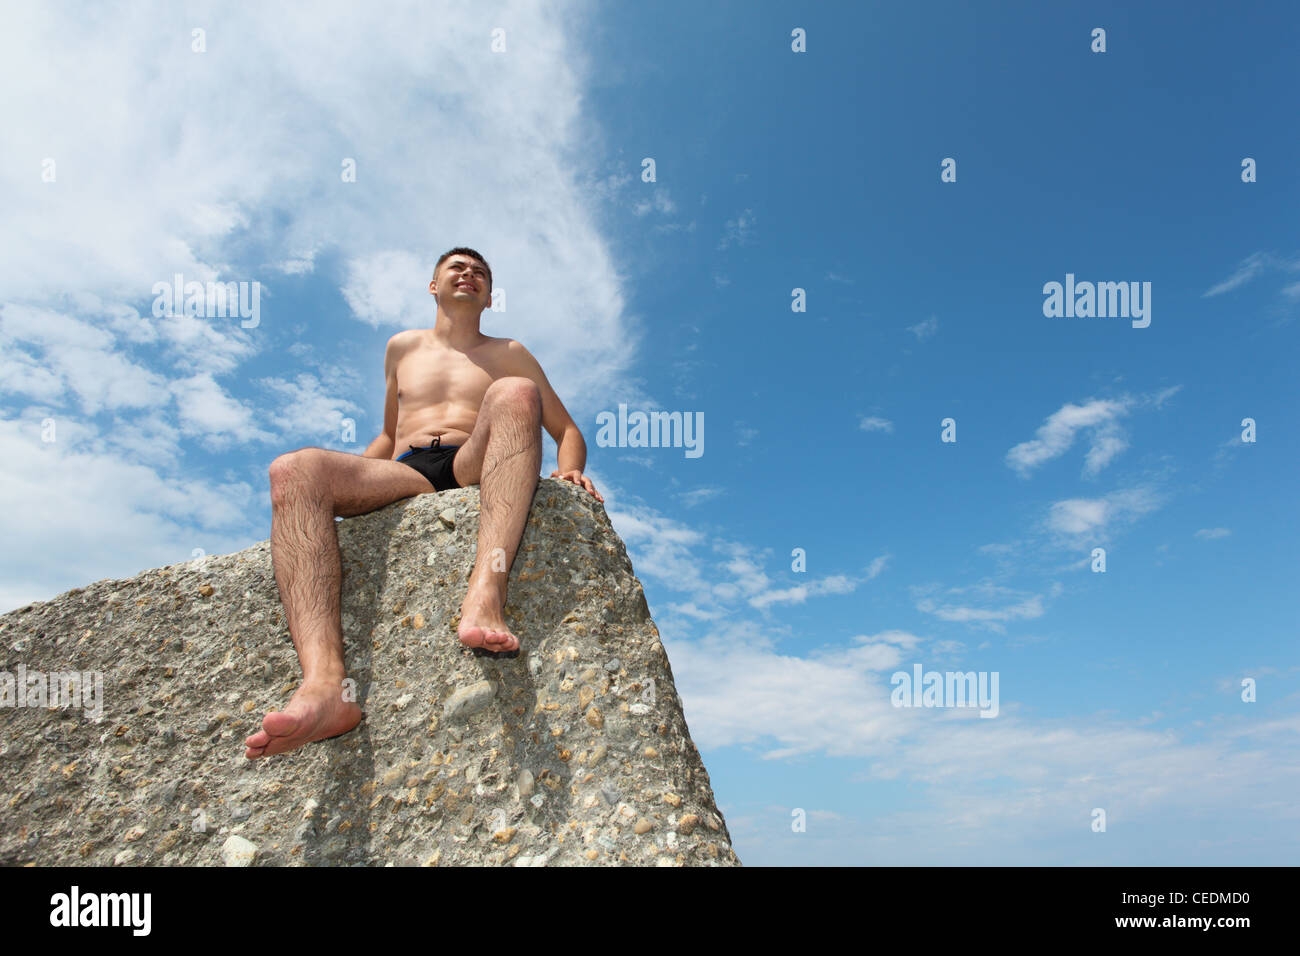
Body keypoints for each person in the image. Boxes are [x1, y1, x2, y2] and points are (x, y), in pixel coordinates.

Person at [245, 247, 603, 759]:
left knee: (517, 392)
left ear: (489, 296)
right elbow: (388, 434)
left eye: (480, 272)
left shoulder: (510, 351)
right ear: (433, 286)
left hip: (472, 460)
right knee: (294, 469)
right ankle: (324, 687)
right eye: (456, 268)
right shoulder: (402, 348)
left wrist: (571, 469)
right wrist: (336, 482)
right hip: (407, 469)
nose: (468, 274)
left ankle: (486, 594)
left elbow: (566, 429)